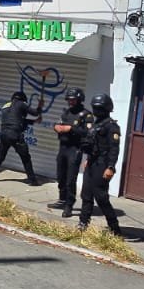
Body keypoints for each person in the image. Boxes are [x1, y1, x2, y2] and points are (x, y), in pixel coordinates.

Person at [76, 94, 122, 234]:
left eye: (99, 108)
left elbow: (114, 149)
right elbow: (93, 144)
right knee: (86, 195)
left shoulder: (111, 126)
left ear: (106, 109)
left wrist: (111, 167)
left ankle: (114, 228)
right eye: (95, 108)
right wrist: (87, 160)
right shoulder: (96, 124)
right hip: (92, 163)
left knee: (101, 197)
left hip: (103, 165)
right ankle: (83, 223)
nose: (96, 110)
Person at [48, 88, 92, 218]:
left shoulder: (86, 115)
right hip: (63, 148)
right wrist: (56, 127)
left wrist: (71, 129)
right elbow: (58, 123)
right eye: (69, 100)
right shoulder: (66, 113)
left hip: (75, 149)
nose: (71, 102)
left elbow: (88, 133)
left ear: (79, 99)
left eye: (73, 99)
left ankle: (69, 205)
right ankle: (62, 199)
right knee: (60, 176)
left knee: (70, 179)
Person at [0, 90, 41, 185]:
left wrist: (34, 122)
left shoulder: (5, 106)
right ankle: (32, 180)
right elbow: (35, 113)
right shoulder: (21, 104)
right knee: (26, 157)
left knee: (0, 156)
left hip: (4, 134)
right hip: (15, 135)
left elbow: (16, 119)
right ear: (23, 99)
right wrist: (40, 106)